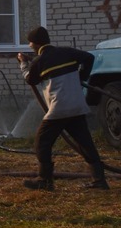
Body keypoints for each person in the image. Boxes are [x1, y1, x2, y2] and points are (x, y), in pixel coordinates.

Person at [18, 26, 108, 191]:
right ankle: (99, 180)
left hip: (59, 109)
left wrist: (24, 64)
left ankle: (45, 180)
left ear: (36, 44)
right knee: (85, 143)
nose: (29, 45)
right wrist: (81, 77)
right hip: (77, 106)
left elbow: (31, 80)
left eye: (30, 42)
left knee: (42, 143)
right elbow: (88, 57)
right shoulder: (67, 52)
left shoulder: (40, 61)